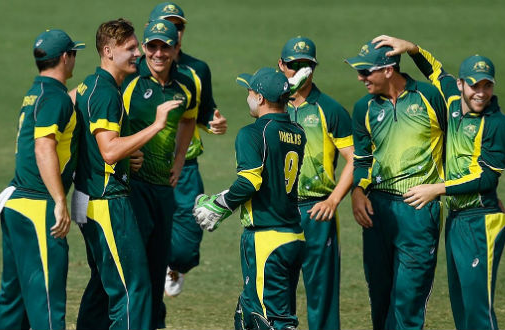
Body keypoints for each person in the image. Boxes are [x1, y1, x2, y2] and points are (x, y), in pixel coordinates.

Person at [373, 35, 505, 330]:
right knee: (461, 306)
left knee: (478, 309)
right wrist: (411, 48)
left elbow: (486, 178)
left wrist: (436, 189)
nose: (481, 93)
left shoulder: (498, 125)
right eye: (474, 85)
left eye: (487, 85)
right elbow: (435, 70)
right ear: (462, 84)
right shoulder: (452, 100)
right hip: (456, 220)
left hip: (481, 222)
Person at [73, 18, 180, 330]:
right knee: (134, 290)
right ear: (108, 51)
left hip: (88, 197)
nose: (138, 53)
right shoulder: (106, 92)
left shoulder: (89, 85)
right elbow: (107, 150)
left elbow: (100, 145)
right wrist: (155, 126)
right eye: (130, 48)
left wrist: (125, 155)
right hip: (109, 202)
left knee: (102, 285)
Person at [193, 67, 306, 330]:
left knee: (270, 322)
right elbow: (270, 179)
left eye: (250, 91)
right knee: (248, 314)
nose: (247, 96)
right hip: (293, 238)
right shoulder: (297, 132)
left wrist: (220, 206)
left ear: (261, 98)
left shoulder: (252, 133)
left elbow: (250, 182)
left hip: (267, 241)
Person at [346, 40, 447, 329]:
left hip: (418, 208)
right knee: (380, 296)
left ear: (389, 70)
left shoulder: (429, 96)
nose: (360, 78)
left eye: (366, 72)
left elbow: (455, 141)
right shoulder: (363, 107)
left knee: (408, 299)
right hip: (377, 211)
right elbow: (363, 158)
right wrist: (357, 190)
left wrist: (414, 49)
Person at [0, 29, 84, 330]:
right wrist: (59, 200)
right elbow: (44, 146)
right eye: (74, 53)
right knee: (47, 303)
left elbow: (61, 107)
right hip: (37, 207)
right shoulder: (53, 98)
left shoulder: (37, 93)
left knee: (13, 298)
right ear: (66, 58)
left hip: (15, 204)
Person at [147, 1, 229, 297]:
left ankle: (175, 265)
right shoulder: (136, 70)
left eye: (178, 26)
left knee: (183, 249)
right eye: (168, 25)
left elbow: (203, 111)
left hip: (186, 166)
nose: (174, 32)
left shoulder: (197, 70)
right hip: (145, 165)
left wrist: (214, 122)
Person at [124, 18, 200, 329]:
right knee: (137, 268)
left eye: (164, 47)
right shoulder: (131, 84)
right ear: (143, 49)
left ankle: (154, 323)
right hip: (134, 189)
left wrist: (180, 158)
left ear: (175, 49)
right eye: (152, 46)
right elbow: (111, 127)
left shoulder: (185, 87)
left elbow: (188, 119)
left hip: (164, 190)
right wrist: (127, 156)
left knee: (157, 265)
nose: (158, 53)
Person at [277, 36, 354, 330]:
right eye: (294, 65)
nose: (300, 71)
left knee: (321, 296)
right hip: (280, 213)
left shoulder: (329, 109)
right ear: (281, 64)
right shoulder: (272, 105)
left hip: (316, 213)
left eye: (306, 65)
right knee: (278, 295)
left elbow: (355, 160)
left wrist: (333, 200)